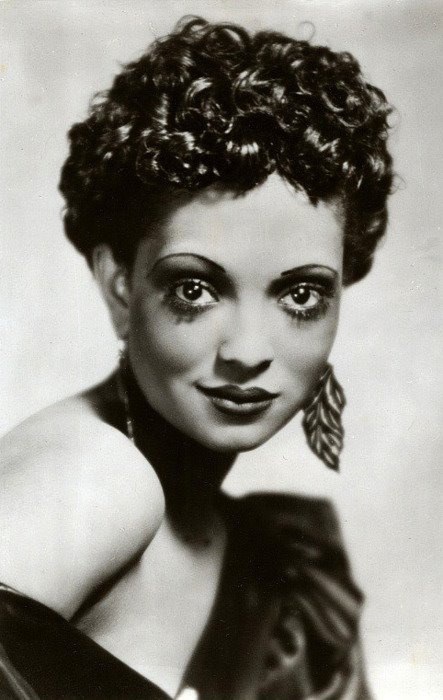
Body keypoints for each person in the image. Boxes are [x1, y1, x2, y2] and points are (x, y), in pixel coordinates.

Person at [0, 16, 393, 700]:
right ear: (118, 286)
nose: (247, 352)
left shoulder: (278, 563)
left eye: (300, 294)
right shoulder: (93, 474)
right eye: (195, 288)